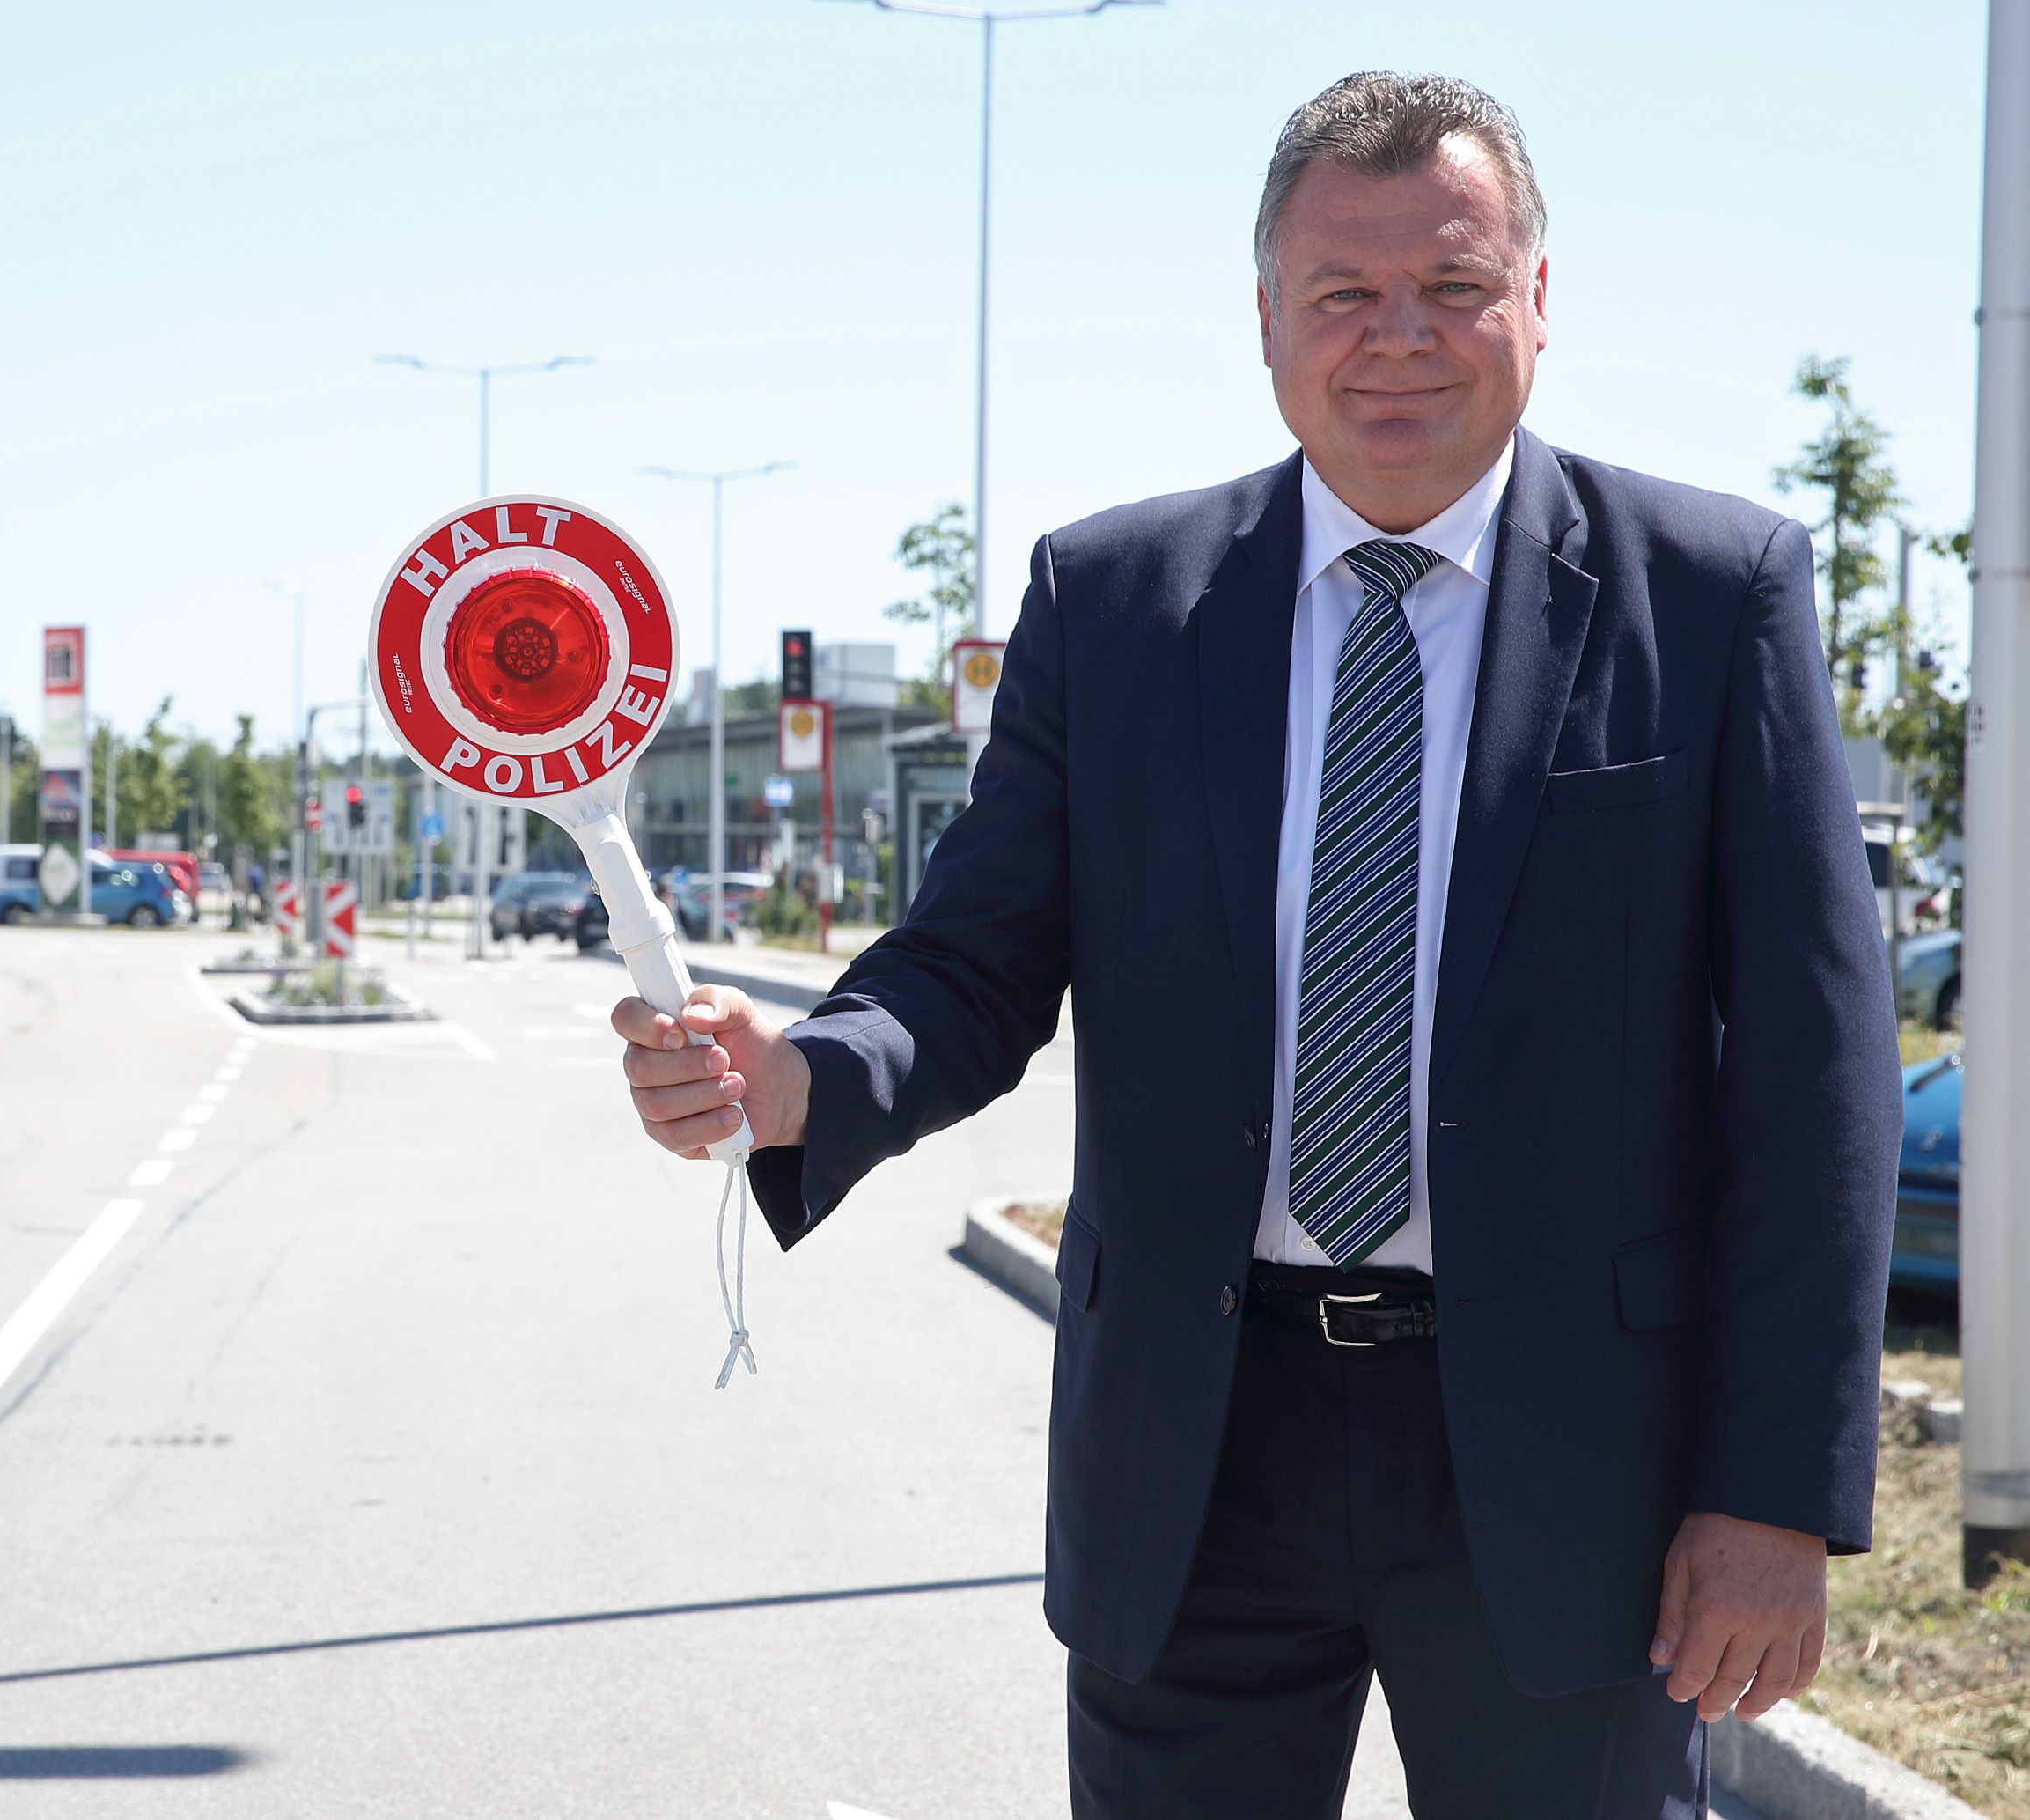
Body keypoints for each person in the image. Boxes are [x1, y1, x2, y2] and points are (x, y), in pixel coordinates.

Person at [614, 71, 1898, 1819]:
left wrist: (1771, 1491)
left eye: (1449, 286)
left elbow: (1816, 1084)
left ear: (1536, 297)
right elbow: (976, 961)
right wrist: (795, 1076)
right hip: (1199, 1443)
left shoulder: (1709, 592)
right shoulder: (1116, 603)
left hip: (1567, 1458)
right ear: (1265, 322)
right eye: (1340, 295)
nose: (1396, 339)